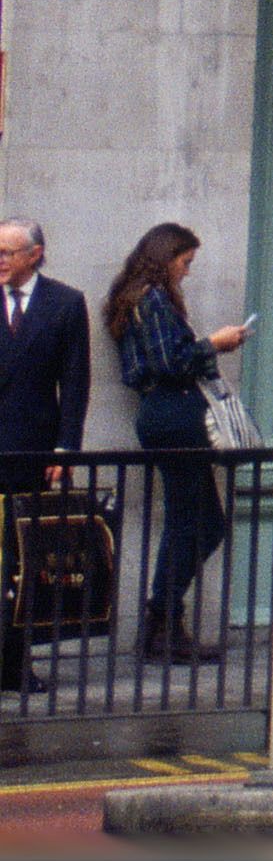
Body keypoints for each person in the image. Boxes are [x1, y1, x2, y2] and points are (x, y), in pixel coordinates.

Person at [103, 226, 245, 665]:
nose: (186, 272)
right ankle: (161, 624)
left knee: (196, 521)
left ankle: (162, 622)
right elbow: (170, 363)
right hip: (172, 414)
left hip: (164, 416)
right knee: (196, 522)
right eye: (185, 263)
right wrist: (214, 345)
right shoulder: (152, 298)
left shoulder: (138, 297)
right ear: (166, 257)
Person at [0, 221, 93, 692]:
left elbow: (75, 383)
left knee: (21, 561)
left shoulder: (65, 303)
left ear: (34, 254)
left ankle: (14, 665)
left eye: (7, 252)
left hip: (31, 449)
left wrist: (65, 448)